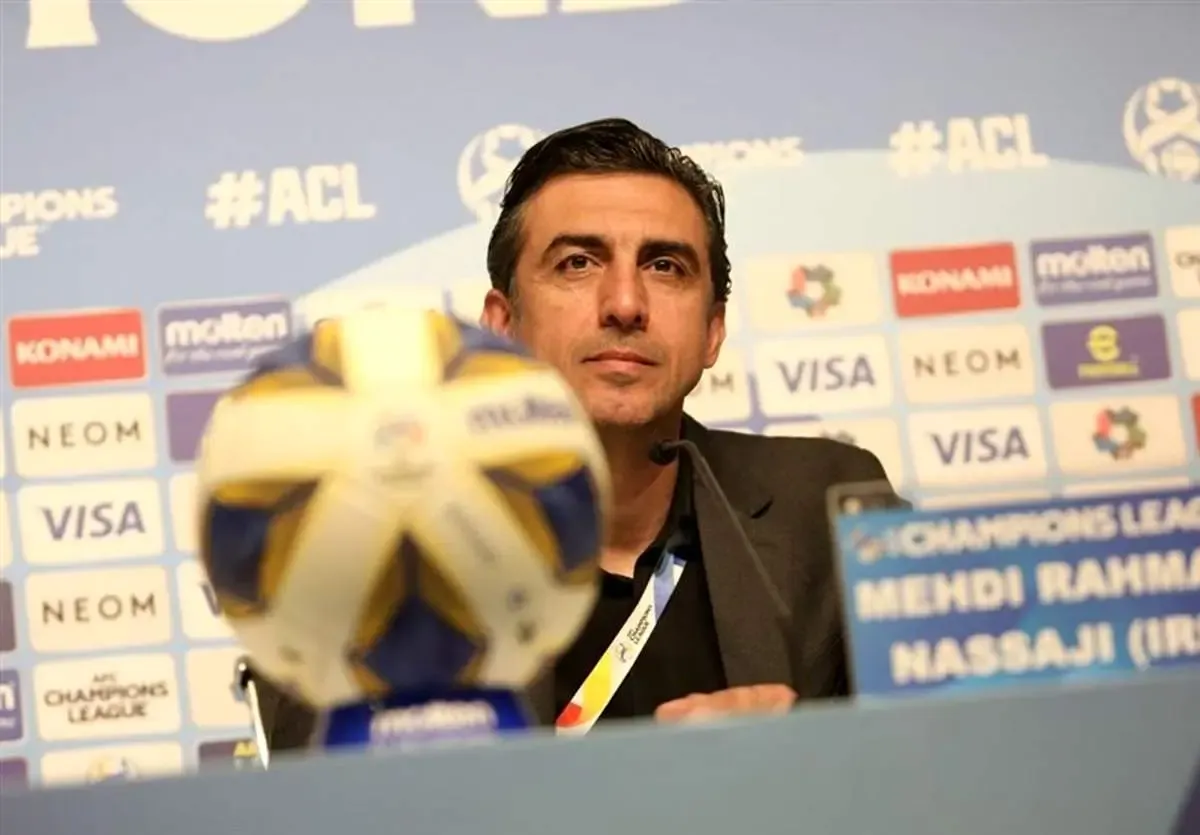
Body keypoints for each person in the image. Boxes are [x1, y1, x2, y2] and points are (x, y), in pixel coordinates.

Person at [253, 118, 898, 751]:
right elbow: (329, 801)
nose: (625, 304)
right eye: (578, 263)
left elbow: (931, 756)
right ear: (501, 327)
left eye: (665, 266)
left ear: (712, 332)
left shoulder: (826, 508)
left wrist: (804, 758)